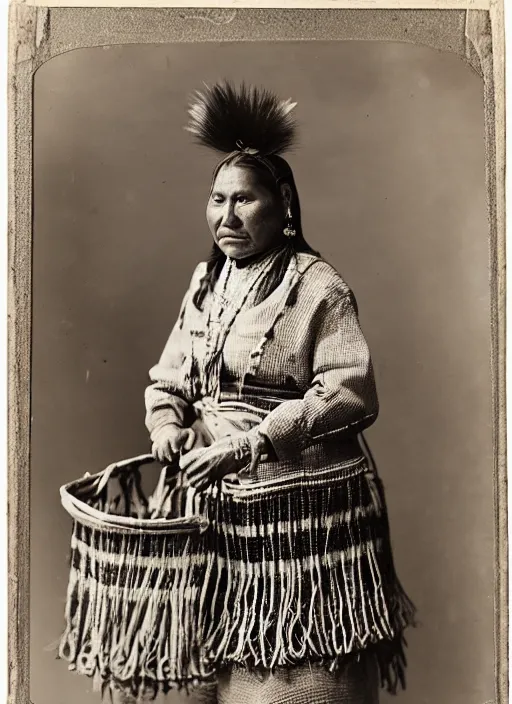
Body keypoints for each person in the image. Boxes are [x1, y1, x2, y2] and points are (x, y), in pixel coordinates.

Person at [144, 82, 415, 704]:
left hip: (299, 521)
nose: (227, 217)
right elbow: (170, 378)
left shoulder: (318, 286)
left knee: (291, 684)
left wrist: (254, 443)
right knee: (200, 678)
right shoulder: (206, 280)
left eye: (245, 200)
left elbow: (350, 393)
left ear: (283, 203)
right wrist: (168, 426)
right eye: (217, 199)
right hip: (212, 512)